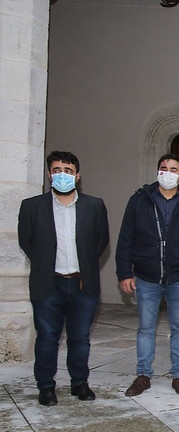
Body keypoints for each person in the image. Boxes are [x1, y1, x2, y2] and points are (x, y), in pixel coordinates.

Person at [18, 151, 109, 406]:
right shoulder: (32, 206)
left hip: (82, 284)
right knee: (47, 338)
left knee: (80, 338)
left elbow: (100, 241)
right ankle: (46, 386)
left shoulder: (94, 206)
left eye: (68, 171)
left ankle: (79, 382)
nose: (62, 175)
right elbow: (26, 241)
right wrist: (46, 265)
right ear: (50, 175)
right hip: (48, 284)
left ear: (77, 176)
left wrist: (84, 268)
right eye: (57, 170)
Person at [116, 154, 179, 396]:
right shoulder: (139, 200)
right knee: (146, 328)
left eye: (173, 169)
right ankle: (143, 375)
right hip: (147, 276)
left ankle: (178, 375)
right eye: (163, 168)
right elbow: (126, 238)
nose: (167, 172)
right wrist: (124, 272)